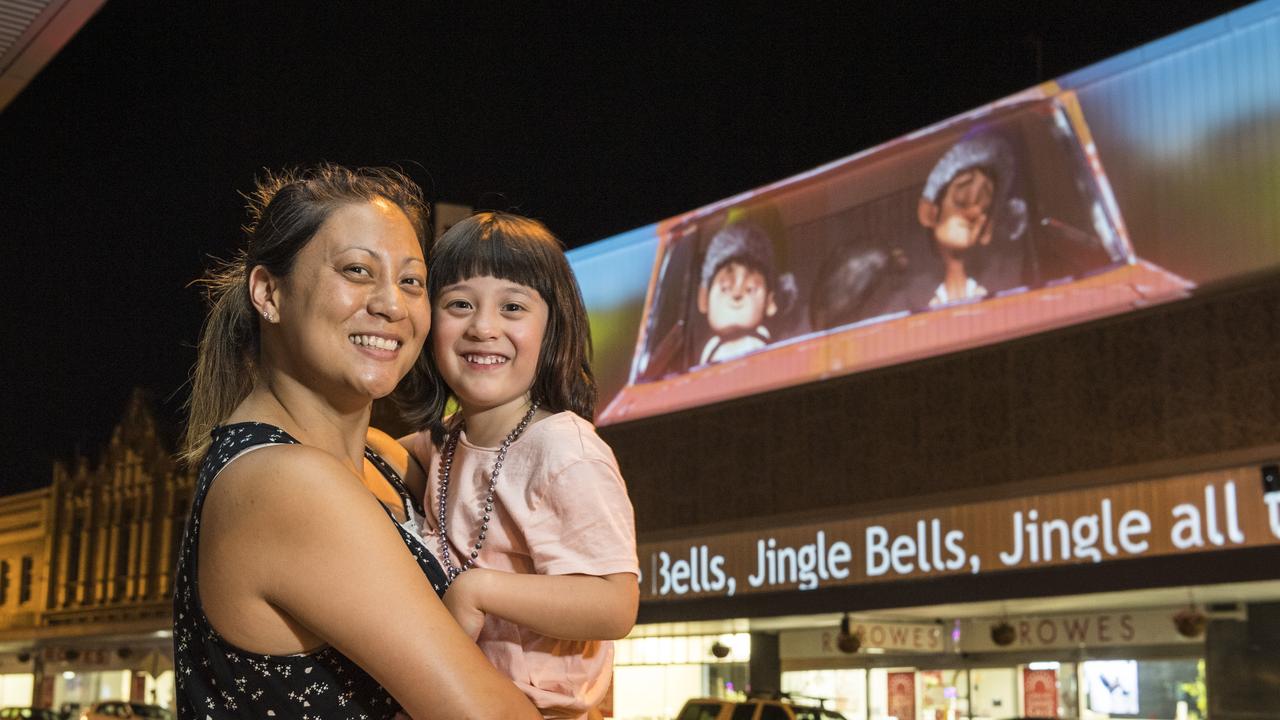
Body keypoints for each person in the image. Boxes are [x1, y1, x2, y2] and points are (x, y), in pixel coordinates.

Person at [174, 164, 540, 720]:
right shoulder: (285, 482)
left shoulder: (380, 456)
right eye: (356, 270)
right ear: (268, 293)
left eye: (412, 281)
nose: (392, 304)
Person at [375, 211, 639, 720]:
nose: (483, 327)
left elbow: (615, 604)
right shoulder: (451, 440)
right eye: (459, 304)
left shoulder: (563, 450)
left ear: (553, 328)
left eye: (513, 306)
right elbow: (385, 450)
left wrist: (480, 590)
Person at [917, 134, 1017, 307]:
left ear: (986, 230)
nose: (973, 211)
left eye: (984, 206)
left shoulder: (1006, 294)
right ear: (930, 213)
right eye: (960, 200)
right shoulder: (908, 302)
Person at [696, 222, 795, 364]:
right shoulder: (710, 348)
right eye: (725, 288)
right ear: (704, 299)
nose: (736, 295)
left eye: (750, 289)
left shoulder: (761, 344)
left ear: (769, 302)